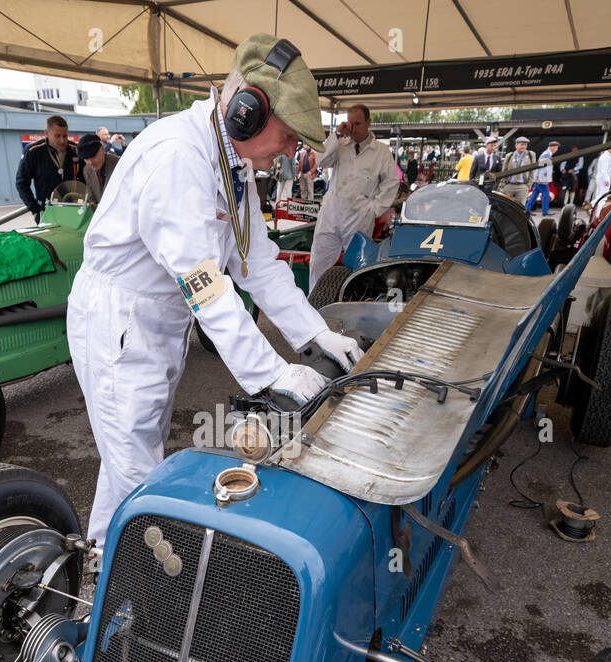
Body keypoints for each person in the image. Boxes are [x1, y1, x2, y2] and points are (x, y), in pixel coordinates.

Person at [65, 33, 362, 544]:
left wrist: (318, 336)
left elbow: (258, 264)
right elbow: (204, 283)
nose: (292, 152)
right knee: (141, 482)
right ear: (248, 111)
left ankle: (96, 570)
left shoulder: (230, 163)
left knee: (130, 465)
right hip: (120, 324)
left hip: (154, 325)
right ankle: (142, 596)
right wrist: (271, 374)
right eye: (290, 136)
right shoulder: (178, 156)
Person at [308, 102, 400, 290]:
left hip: (359, 216)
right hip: (331, 213)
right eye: (349, 123)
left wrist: (374, 209)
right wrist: (337, 134)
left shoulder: (381, 152)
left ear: (368, 122)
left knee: (359, 267)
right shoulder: (340, 144)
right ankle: (313, 304)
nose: (353, 129)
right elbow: (321, 160)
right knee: (318, 263)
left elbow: (391, 182)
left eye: (357, 124)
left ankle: (354, 303)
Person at [16, 116, 82, 221]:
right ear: (46, 133)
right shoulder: (33, 151)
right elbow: (21, 183)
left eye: (65, 136)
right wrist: (35, 210)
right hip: (46, 212)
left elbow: (85, 178)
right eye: (57, 136)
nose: (62, 140)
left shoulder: (75, 150)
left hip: (73, 210)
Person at [78, 132, 118, 205]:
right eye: (86, 158)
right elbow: (91, 199)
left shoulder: (118, 164)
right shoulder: (87, 170)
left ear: (102, 149)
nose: (90, 162)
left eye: (93, 156)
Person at [500, 136, 534, 206]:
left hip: (522, 186)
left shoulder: (531, 155)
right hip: (509, 186)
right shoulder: (509, 156)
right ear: (516, 145)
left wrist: (528, 186)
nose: (524, 146)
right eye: (522, 144)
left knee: (520, 208)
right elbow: (504, 171)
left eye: (525, 145)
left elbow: (532, 171)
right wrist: (503, 185)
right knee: (506, 206)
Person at [527, 141, 558, 215]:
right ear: (552, 147)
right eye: (556, 148)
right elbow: (541, 167)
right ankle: (545, 211)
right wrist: (539, 178)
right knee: (545, 195)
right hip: (542, 179)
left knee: (534, 195)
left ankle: (527, 210)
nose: (556, 150)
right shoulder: (546, 154)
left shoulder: (547, 154)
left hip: (541, 179)